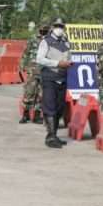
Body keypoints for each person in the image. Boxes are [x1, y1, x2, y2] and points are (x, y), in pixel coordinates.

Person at [36, 17, 72, 148]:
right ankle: (50, 136)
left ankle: (55, 135)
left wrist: (68, 63)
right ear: (52, 27)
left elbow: (68, 57)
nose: (59, 29)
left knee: (59, 107)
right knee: (49, 106)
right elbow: (39, 59)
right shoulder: (46, 42)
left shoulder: (66, 43)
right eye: (57, 26)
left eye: (61, 26)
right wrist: (57, 63)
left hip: (62, 78)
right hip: (49, 78)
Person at [19, 23, 48, 124]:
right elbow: (26, 52)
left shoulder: (50, 40)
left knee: (41, 94)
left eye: (46, 29)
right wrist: (22, 65)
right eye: (42, 28)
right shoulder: (33, 39)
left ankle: (37, 116)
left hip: (45, 70)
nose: (44, 30)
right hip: (32, 69)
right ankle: (25, 115)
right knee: (29, 92)